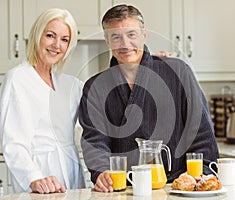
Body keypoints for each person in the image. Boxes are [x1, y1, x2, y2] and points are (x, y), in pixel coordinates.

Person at [79, 4, 219, 193]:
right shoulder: (95, 87)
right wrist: (101, 171)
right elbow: (94, 141)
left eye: (131, 35)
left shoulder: (177, 72)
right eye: (116, 37)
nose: (125, 44)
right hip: (125, 190)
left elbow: (201, 131)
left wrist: (199, 178)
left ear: (144, 35)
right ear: (107, 41)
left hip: (178, 187)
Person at [0, 8, 86, 194]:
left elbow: (104, 97)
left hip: (72, 175)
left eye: (64, 39)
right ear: (37, 35)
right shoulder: (18, 79)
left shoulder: (69, 84)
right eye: (50, 35)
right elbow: (14, 144)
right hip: (40, 178)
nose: (56, 45)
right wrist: (34, 178)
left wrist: (148, 62)